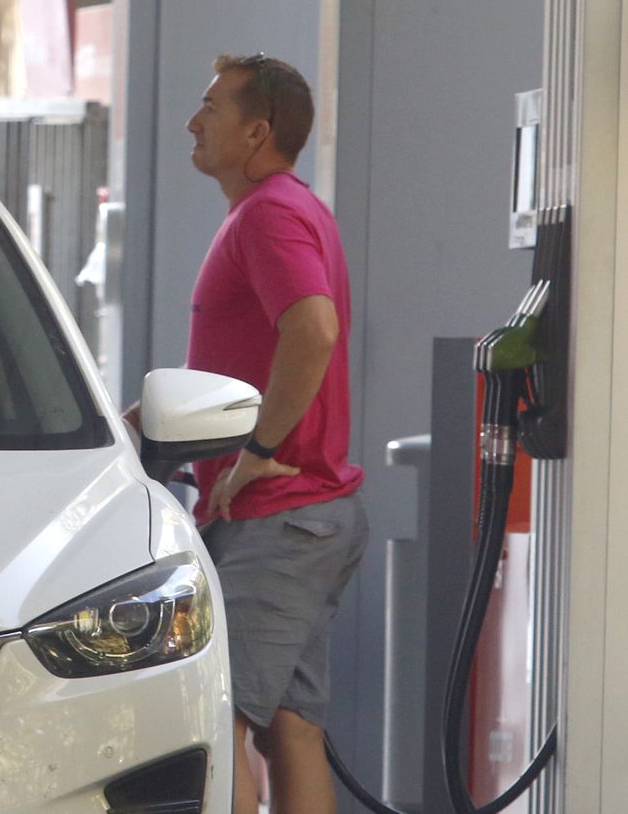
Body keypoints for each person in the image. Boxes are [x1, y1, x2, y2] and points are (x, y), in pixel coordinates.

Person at [158, 53, 367, 814]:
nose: (192, 120)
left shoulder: (271, 213)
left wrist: (260, 452)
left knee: (217, 726)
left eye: (209, 107)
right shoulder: (282, 208)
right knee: (292, 728)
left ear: (256, 131)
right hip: (309, 515)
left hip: (280, 516)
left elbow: (312, 328)